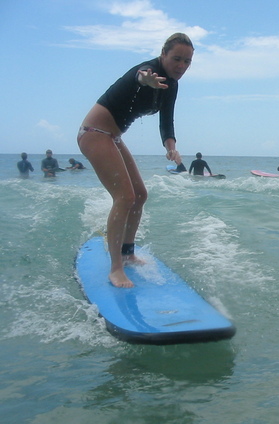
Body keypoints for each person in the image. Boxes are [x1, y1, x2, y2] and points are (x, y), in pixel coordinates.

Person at [77, 33, 194, 288]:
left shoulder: (172, 85)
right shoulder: (148, 71)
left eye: (187, 61)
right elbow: (140, 76)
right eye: (176, 59)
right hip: (95, 134)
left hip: (113, 138)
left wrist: (171, 148)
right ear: (163, 54)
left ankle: (128, 253)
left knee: (140, 195)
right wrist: (146, 80)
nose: (181, 66)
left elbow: (167, 120)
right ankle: (116, 268)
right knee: (125, 197)